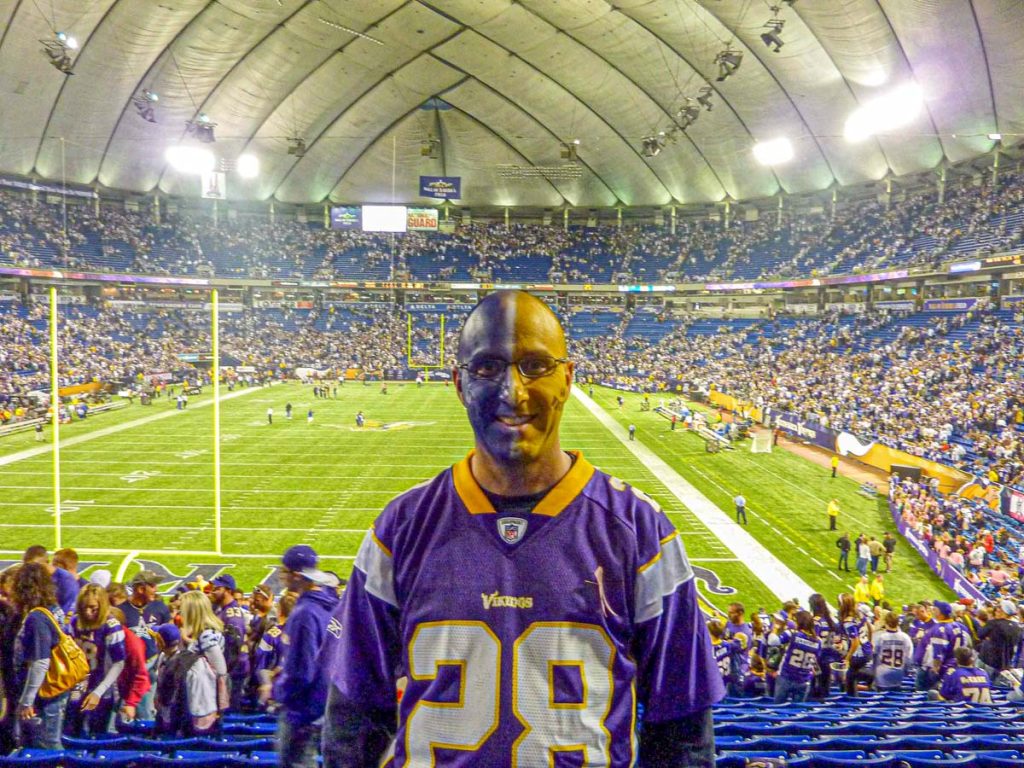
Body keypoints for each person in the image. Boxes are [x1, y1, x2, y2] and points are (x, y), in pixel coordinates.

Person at [319, 290, 724, 768]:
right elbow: (353, 721)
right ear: (458, 383)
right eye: (487, 368)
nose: (513, 391)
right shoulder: (401, 527)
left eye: (535, 365)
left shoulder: (640, 531)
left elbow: (682, 733)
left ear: (567, 379)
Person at [275, 546, 340, 768]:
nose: (281, 577)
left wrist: (278, 692)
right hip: (323, 702)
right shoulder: (328, 606)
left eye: (284, 571)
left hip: (303, 709)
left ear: (296, 576)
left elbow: (302, 671)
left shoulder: (305, 614)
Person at [11, 562, 70, 749]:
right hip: (52, 690)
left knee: (47, 746)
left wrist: (27, 700)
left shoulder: (36, 618)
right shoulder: (53, 609)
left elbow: (40, 662)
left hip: (44, 695)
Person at [68, 584, 126, 736]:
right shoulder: (75, 622)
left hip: (102, 686)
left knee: (97, 734)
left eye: (93, 608)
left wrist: (98, 692)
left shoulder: (111, 626)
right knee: (71, 730)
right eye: (84, 607)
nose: (88, 612)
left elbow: (119, 663)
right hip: (78, 684)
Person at [175, 590, 229, 735]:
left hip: (204, 702)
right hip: (202, 700)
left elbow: (221, 670)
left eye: (182, 610)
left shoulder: (206, 636)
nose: (180, 614)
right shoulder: (202, 634)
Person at [774, 611, 823, 704]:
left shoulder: (793, 634)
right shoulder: (818, 642)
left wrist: (775, 628)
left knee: (778, 708)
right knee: (798, 711)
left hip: (786, 676)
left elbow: (773, 641)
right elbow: (815, 662)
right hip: (803, 680)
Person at [977, 599, 1020, 681]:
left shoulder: (994, 623)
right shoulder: (1017, 626)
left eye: (1000, 607)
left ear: (1004, 611)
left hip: (987, 660)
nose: (997, 609)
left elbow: (980, 635)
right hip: (1004, 663)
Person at [873, 611, 913, 691]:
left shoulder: (880, 637)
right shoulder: (906, 638)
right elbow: (909, 658)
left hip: (882, 674)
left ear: (886, 622)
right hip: (898, 674)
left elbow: (874, 655)